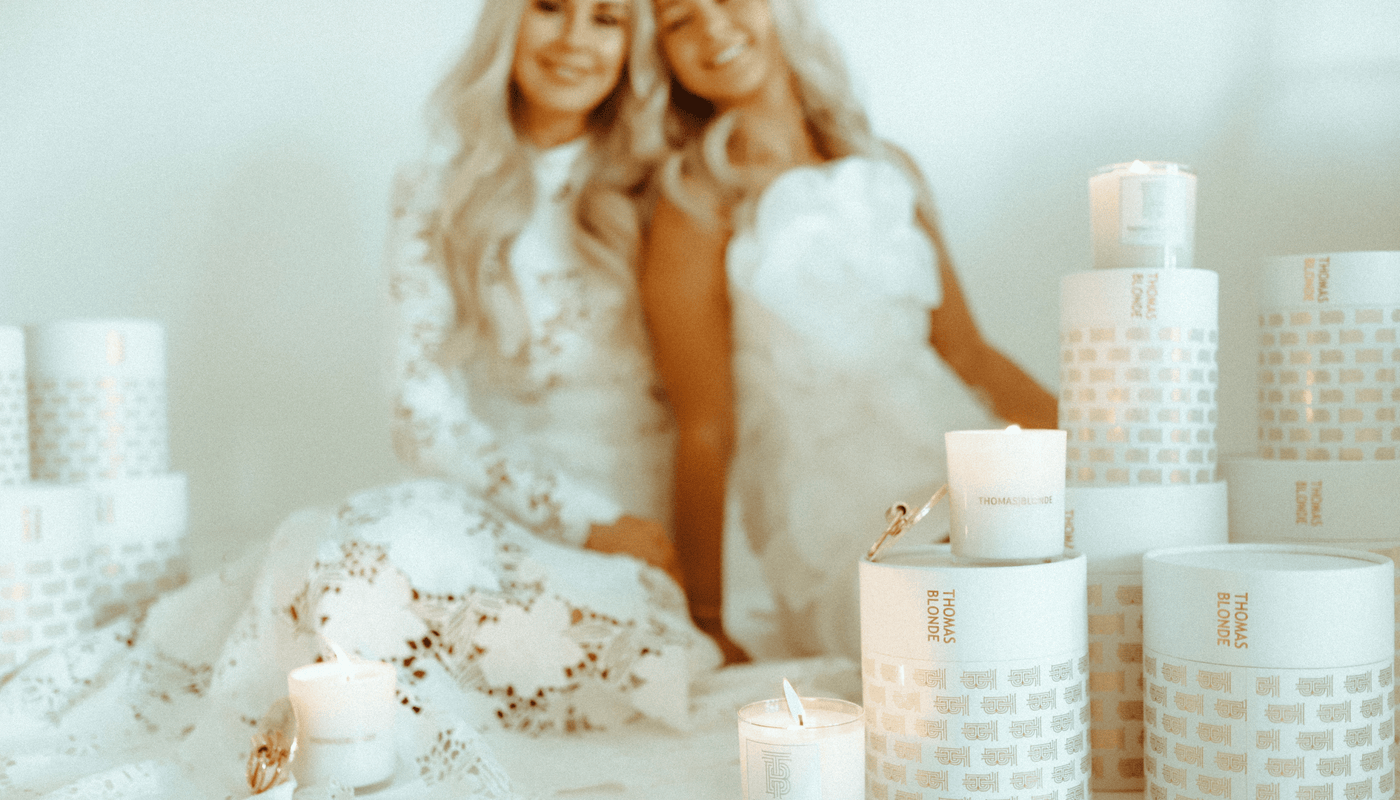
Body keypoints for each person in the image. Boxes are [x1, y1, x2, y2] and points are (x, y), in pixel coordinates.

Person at [0, 2, 722, 797]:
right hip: (486, 511)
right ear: (508, 24)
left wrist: (654, 552)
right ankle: (276, 750)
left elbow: (709, 409)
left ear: (633, 45)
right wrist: (580, 518)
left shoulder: (665, 186)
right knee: (332, 548)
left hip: (634, 536)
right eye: (551, 8)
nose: (575, 39)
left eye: (607, 19)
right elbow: (421, 416)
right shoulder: (437, 188)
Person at [640, 0, 1058, 659]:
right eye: (677, 20)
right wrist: (707, 617)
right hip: (842, 532)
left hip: (954, 470)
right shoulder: (694, 199)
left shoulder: (889, 168)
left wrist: (1099, 455)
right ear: (663, 56)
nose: (711, 25)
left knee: (1081, 579)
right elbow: (703, 429)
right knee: (969, 631)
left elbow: (969, 355)